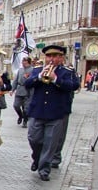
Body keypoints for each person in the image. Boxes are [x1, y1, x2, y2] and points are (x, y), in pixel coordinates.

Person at [24, 45, 81, 180]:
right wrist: (38, 77)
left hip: (56, 113)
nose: (51, 59)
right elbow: (27, 83)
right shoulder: (38, 69)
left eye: (55, 56)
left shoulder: (67, 72)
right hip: (37, 111)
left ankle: (44, 169)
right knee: (34, 138)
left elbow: (74, 86)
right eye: (49, 56)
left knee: (50, 143)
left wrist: (56, 79)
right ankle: (37, 159)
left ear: (61, 58)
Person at [11, 56, 34, 127]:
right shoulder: (20, 70)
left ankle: (25, 121)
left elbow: (34, 80)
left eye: (25, 62)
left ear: (29, 63)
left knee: (26, 108)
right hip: (20, 89)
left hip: (28, 90)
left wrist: (29, 78)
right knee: (16, 105)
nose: (24, 63)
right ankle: (20, 116)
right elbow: (15, 80)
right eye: (23, 62)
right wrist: (12, 89)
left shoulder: (33, 70)